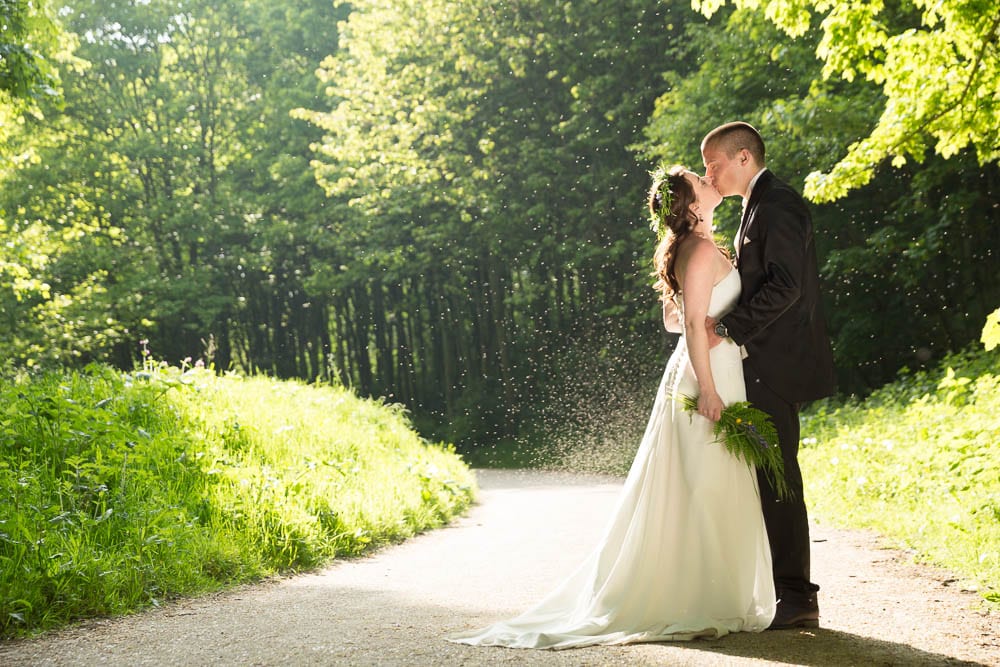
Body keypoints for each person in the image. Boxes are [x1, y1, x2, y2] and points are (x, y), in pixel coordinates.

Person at [447, 166, 775, 650]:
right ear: (690, 205)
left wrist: (705, 329)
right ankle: (706, 597)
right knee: (708, 482)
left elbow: (674, 318)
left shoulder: (692, 249)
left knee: (704, 481)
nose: (710, 180)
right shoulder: (701, 250)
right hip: (706, 375)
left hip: (701, 367)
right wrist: (708, 387)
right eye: (700, 181)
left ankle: (709, 592)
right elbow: (686, 325)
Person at [701, 122, 837, 630]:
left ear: (742, 158)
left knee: (778, 480)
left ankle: (799, 599)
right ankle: (788, 593)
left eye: (713, 164)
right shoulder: (756, 206)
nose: (709, 174)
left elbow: (786, 287)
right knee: (767, 477)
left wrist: (729, 329)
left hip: (775, 366)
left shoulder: (778, 204)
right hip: (760, 364)